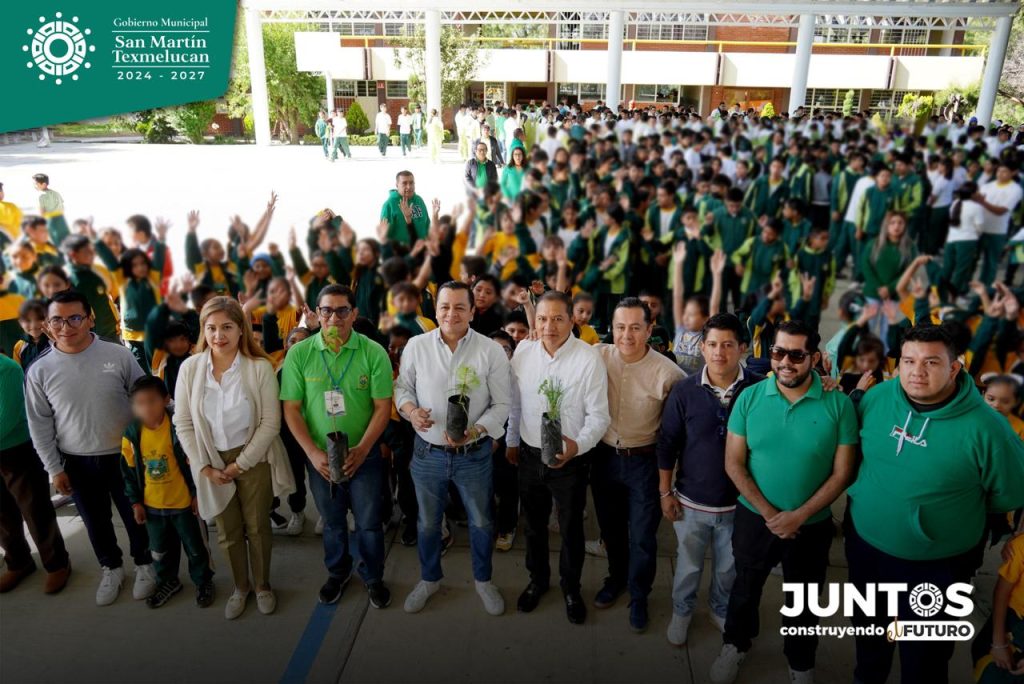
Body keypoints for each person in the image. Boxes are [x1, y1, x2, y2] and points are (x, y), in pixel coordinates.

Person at [846, 324, 1024, 684]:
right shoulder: (878, 398)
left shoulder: (988, 428)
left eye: (931, 362)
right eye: (908, 360)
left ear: (955, 368)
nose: (917, 371)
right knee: (869, 634)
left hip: (938, 568)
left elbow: (1008, 492)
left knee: (924, 656)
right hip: (867, 548)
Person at [711, 320, 858, 684]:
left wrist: (799, 516)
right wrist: (769, 512)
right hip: (754, 518)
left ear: (815, 357)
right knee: (744, 588)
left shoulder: (838, 404)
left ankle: (800, 661)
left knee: (805, 600)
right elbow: (733, 461)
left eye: (796, 354)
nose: (785, 362)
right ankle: (735, 645)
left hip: (811, 526)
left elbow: (843, 473)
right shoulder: (749, 397)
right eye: (778, 352)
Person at [23, 290, 153, 606]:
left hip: (124, 457)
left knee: (136, 515)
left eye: (75, 318)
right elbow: (39, 424)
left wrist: (150, 449)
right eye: (57, 320)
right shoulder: (39, 370)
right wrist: (54, 468)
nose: (66, 326)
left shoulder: (119, 355)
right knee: (95, 520)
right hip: (76, 462)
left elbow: (144, 400)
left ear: (90, 318)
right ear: (47, 324)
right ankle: (111, 568)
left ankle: (145, 564)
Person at [173, 296, 296, 620]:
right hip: (211, 459)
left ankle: (263, 585)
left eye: (227, 327)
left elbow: (271, 423)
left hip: (252, 456)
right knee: (227, 531)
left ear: (241, 329)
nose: (218, 335)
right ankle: (241, 587)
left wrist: (241, 463)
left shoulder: (259, 368)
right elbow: (182, 422)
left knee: (257, 527)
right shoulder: (190, 369)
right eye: (211, 328)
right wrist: (203, 466)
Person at [394, 281, 512, 615]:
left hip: (473, 455)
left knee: (481, 522)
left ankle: (483, 580)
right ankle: (430, 579)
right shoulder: (417, 346)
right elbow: (402, 388)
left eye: (460, 307)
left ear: (473, 311)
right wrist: (410, 411)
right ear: (436, 310)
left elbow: (502, 404)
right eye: (445, 306)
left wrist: (477, 429)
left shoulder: (489, 350)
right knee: (428, 524)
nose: (452, 313)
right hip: (427, 453)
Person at [280, 285, 394, 608]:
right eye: (326, 311)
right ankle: (338, 572)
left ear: (354, 314)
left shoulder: (374, 353)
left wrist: (362, 449)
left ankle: (373, 575)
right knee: (332, 521)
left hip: (365, 455)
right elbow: (291, 409)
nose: (334, 318)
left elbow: (383, 407)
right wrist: (313, 453)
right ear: (316, 315)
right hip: (320, 458)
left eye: (342, 310)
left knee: (369, 522)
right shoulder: (299, 355)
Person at [658, 312, 763, 647]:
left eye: (728, 345)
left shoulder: (759, 391)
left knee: (727, 569)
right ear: (702, 347)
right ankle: (682, 611)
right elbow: (667, 444)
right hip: (691, 501)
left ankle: (719, 608)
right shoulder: (684, 391)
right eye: (713, 344)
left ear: (742, 348)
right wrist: (665, 492)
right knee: (688, 567)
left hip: (739, 505)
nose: (720, 352)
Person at [508, 291, 610, 625]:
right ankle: (538, 581)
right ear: (534, 321)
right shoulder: (523, 352)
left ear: (572, 320)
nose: (549, 326)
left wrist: (576, 447)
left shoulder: (588, 358)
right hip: (529, 454)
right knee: (534, 526)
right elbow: (515, 404)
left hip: (571, 461)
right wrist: (512, 442)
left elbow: (599, 416)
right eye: (542, 319)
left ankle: (571, 587)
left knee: (570, 528)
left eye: (557, 318)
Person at [591, 298, 685, 632]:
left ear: (649, 329)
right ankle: (616, 578)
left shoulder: (669, 374)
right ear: (611, 328)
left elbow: (685, 420)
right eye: (620, 327)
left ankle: (639, 593)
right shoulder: (597, 356)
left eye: (635, 327)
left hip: (644, 462)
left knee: (643, 535)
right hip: (603, 459)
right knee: (611, 529)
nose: (626, 335)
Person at [121, 376, 214, 609]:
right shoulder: (132, 434)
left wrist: (196, 494)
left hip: (184, 505)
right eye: (139, 403)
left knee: (195, 547)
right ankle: (168, 581)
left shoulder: (178, 428)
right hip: (153, 508)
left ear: (166, 399)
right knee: (160, 550)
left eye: (151, 401)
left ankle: (203, 582)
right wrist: (136, 503)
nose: (146, 408)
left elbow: (194, 463)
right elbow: (129, 472)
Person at [0, 353, 71, 594]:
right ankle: (18, 562)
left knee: (35, 510)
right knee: (3, 515)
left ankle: (57, 564)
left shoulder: (8, 369)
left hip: (16, 450)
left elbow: (7, 418)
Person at [380, 171, 430, 254]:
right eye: (404, 183)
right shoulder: (389, 205)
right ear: (397, 185)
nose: (409, 187)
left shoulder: (419, 200)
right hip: (401, 253)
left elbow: (427, 223)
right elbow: (384, 235)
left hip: (422, 250)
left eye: (411, 183)